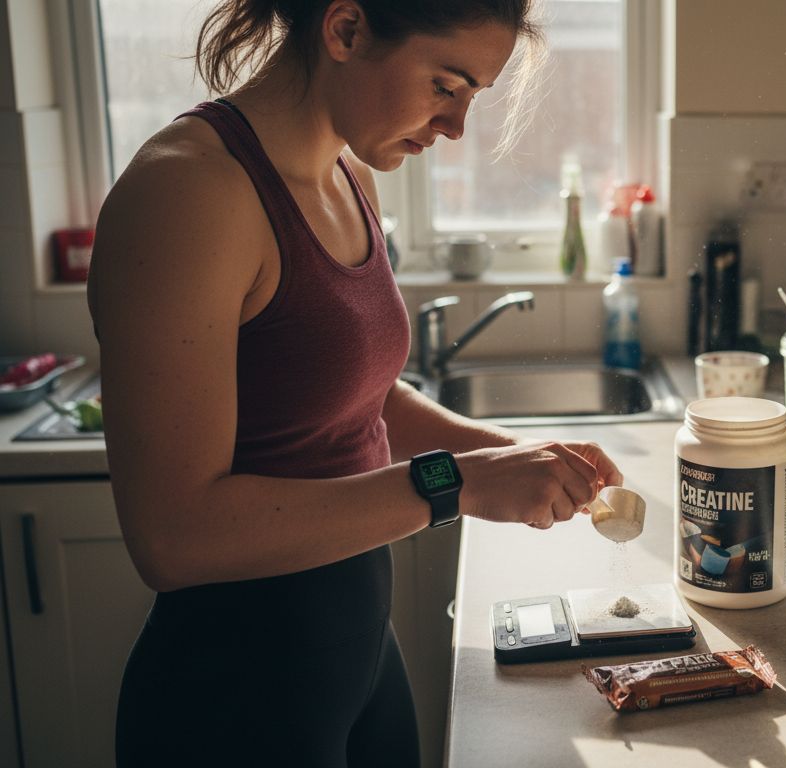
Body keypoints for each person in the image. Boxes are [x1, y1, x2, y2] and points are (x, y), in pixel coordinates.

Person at [86, 1, 620, 765]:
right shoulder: (189, 193)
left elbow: (361, 398)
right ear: (345, 29)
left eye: (473, 96)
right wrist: (459, 481)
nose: (456, 127)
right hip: (233, 698)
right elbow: (174, 538)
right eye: (445, 85)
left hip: (356, 654)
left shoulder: (349, 176)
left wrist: (512, 454)